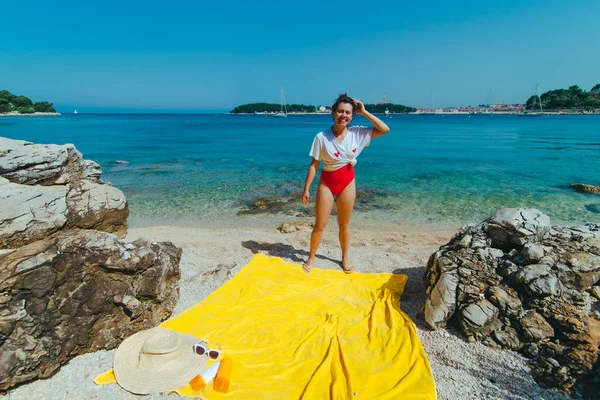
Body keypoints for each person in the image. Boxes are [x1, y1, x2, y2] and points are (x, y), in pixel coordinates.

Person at [301, 94, 390, 274]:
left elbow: (384, 129)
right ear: (333, 113)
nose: (344, 115)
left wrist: (364, 112)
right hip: (327, 182)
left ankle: (344, 257)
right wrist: (306, 189)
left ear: (352, 115)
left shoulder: (358, 133)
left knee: (344, 224)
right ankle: (311, 257)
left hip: (348, 181)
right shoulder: (321, 137)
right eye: (340, 111)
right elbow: (314, 165)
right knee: (320, 224)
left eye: (348, 112)